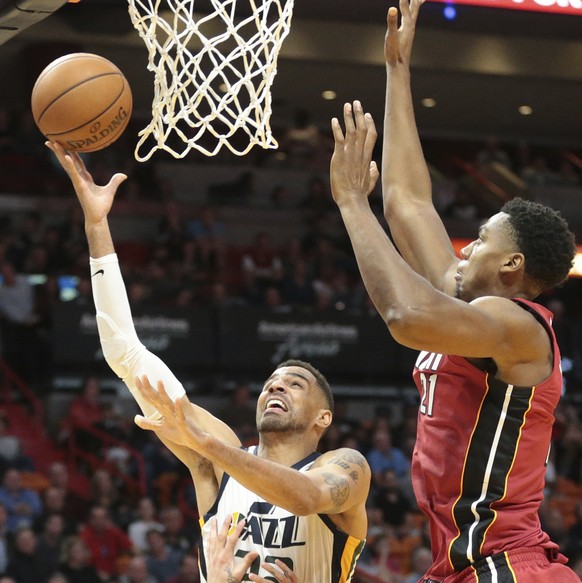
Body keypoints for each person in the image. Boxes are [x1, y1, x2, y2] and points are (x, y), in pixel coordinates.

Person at [328, 2, 580, 582]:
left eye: (481, 239)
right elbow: (408, 204)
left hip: (508, 565)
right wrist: (397, 71)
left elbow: (403, 313)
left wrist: (348, 204)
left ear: (513, 264)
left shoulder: (518, 327)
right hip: (461, 564)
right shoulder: (468, 308)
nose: (464, 249)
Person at [46, 140, 371, 583]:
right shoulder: (217, 462)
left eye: (295, 384)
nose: (275, 387)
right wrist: (97, 225)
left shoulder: (343, 466)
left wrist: (207, 444)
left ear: (323, 417)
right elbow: (124, 350)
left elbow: (305, 499)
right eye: (272, 381)